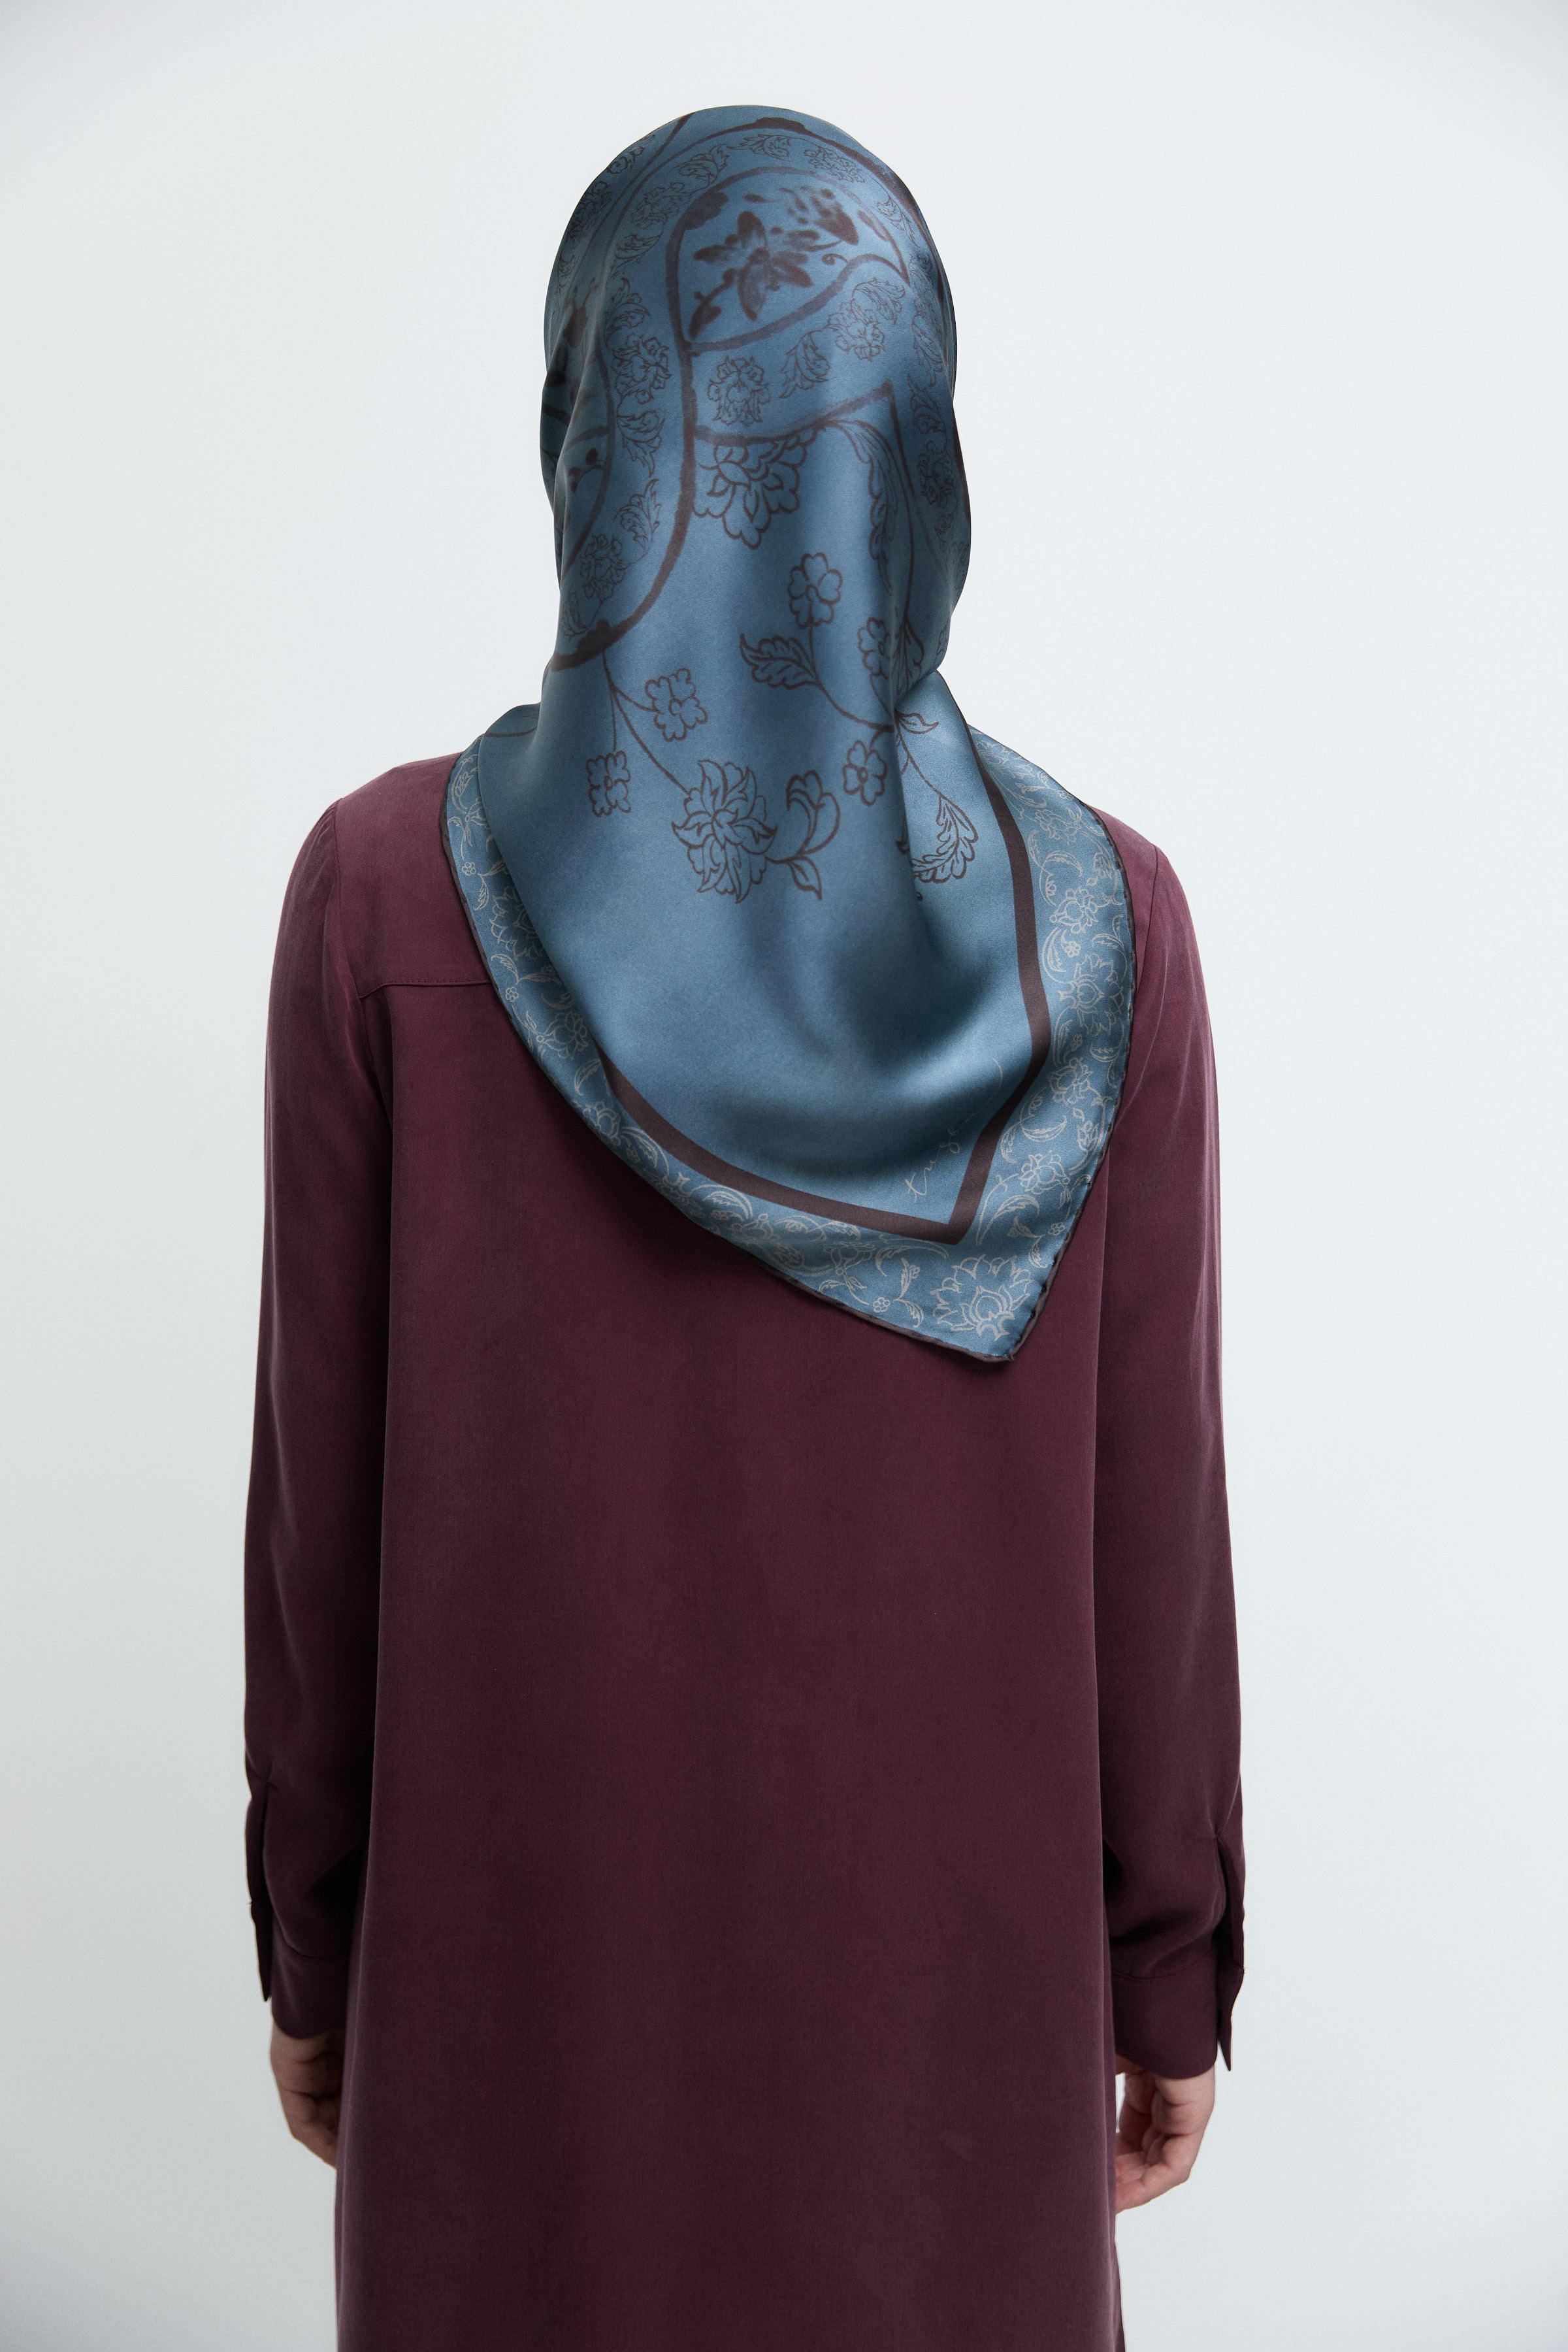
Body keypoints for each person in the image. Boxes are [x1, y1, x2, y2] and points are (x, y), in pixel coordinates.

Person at [245, 105, 1243, 2352]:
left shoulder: (387, 900)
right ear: (918, 454)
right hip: (956, 2083)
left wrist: (315, 1953)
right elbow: (1154, 1536)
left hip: (507, 2058)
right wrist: (1167, 1969)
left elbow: (322, 1539)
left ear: (586, 430)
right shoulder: (1103, 930)